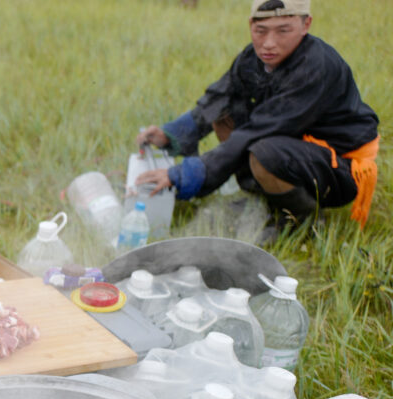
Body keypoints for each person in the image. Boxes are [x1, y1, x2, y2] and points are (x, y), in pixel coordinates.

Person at [135, 0, 379, 245]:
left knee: (264, 154)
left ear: (306, 25)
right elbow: (219, 98)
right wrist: (171, 134)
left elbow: (258, 130)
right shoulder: (253, 58)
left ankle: (302, 221)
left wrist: (185, 174)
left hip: (339, 166)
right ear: (250, 24)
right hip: (298, 148)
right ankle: (267, 198)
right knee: (224, 115)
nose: (269, 43)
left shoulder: (316, 66)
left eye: (283, 30)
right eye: (261, 31)